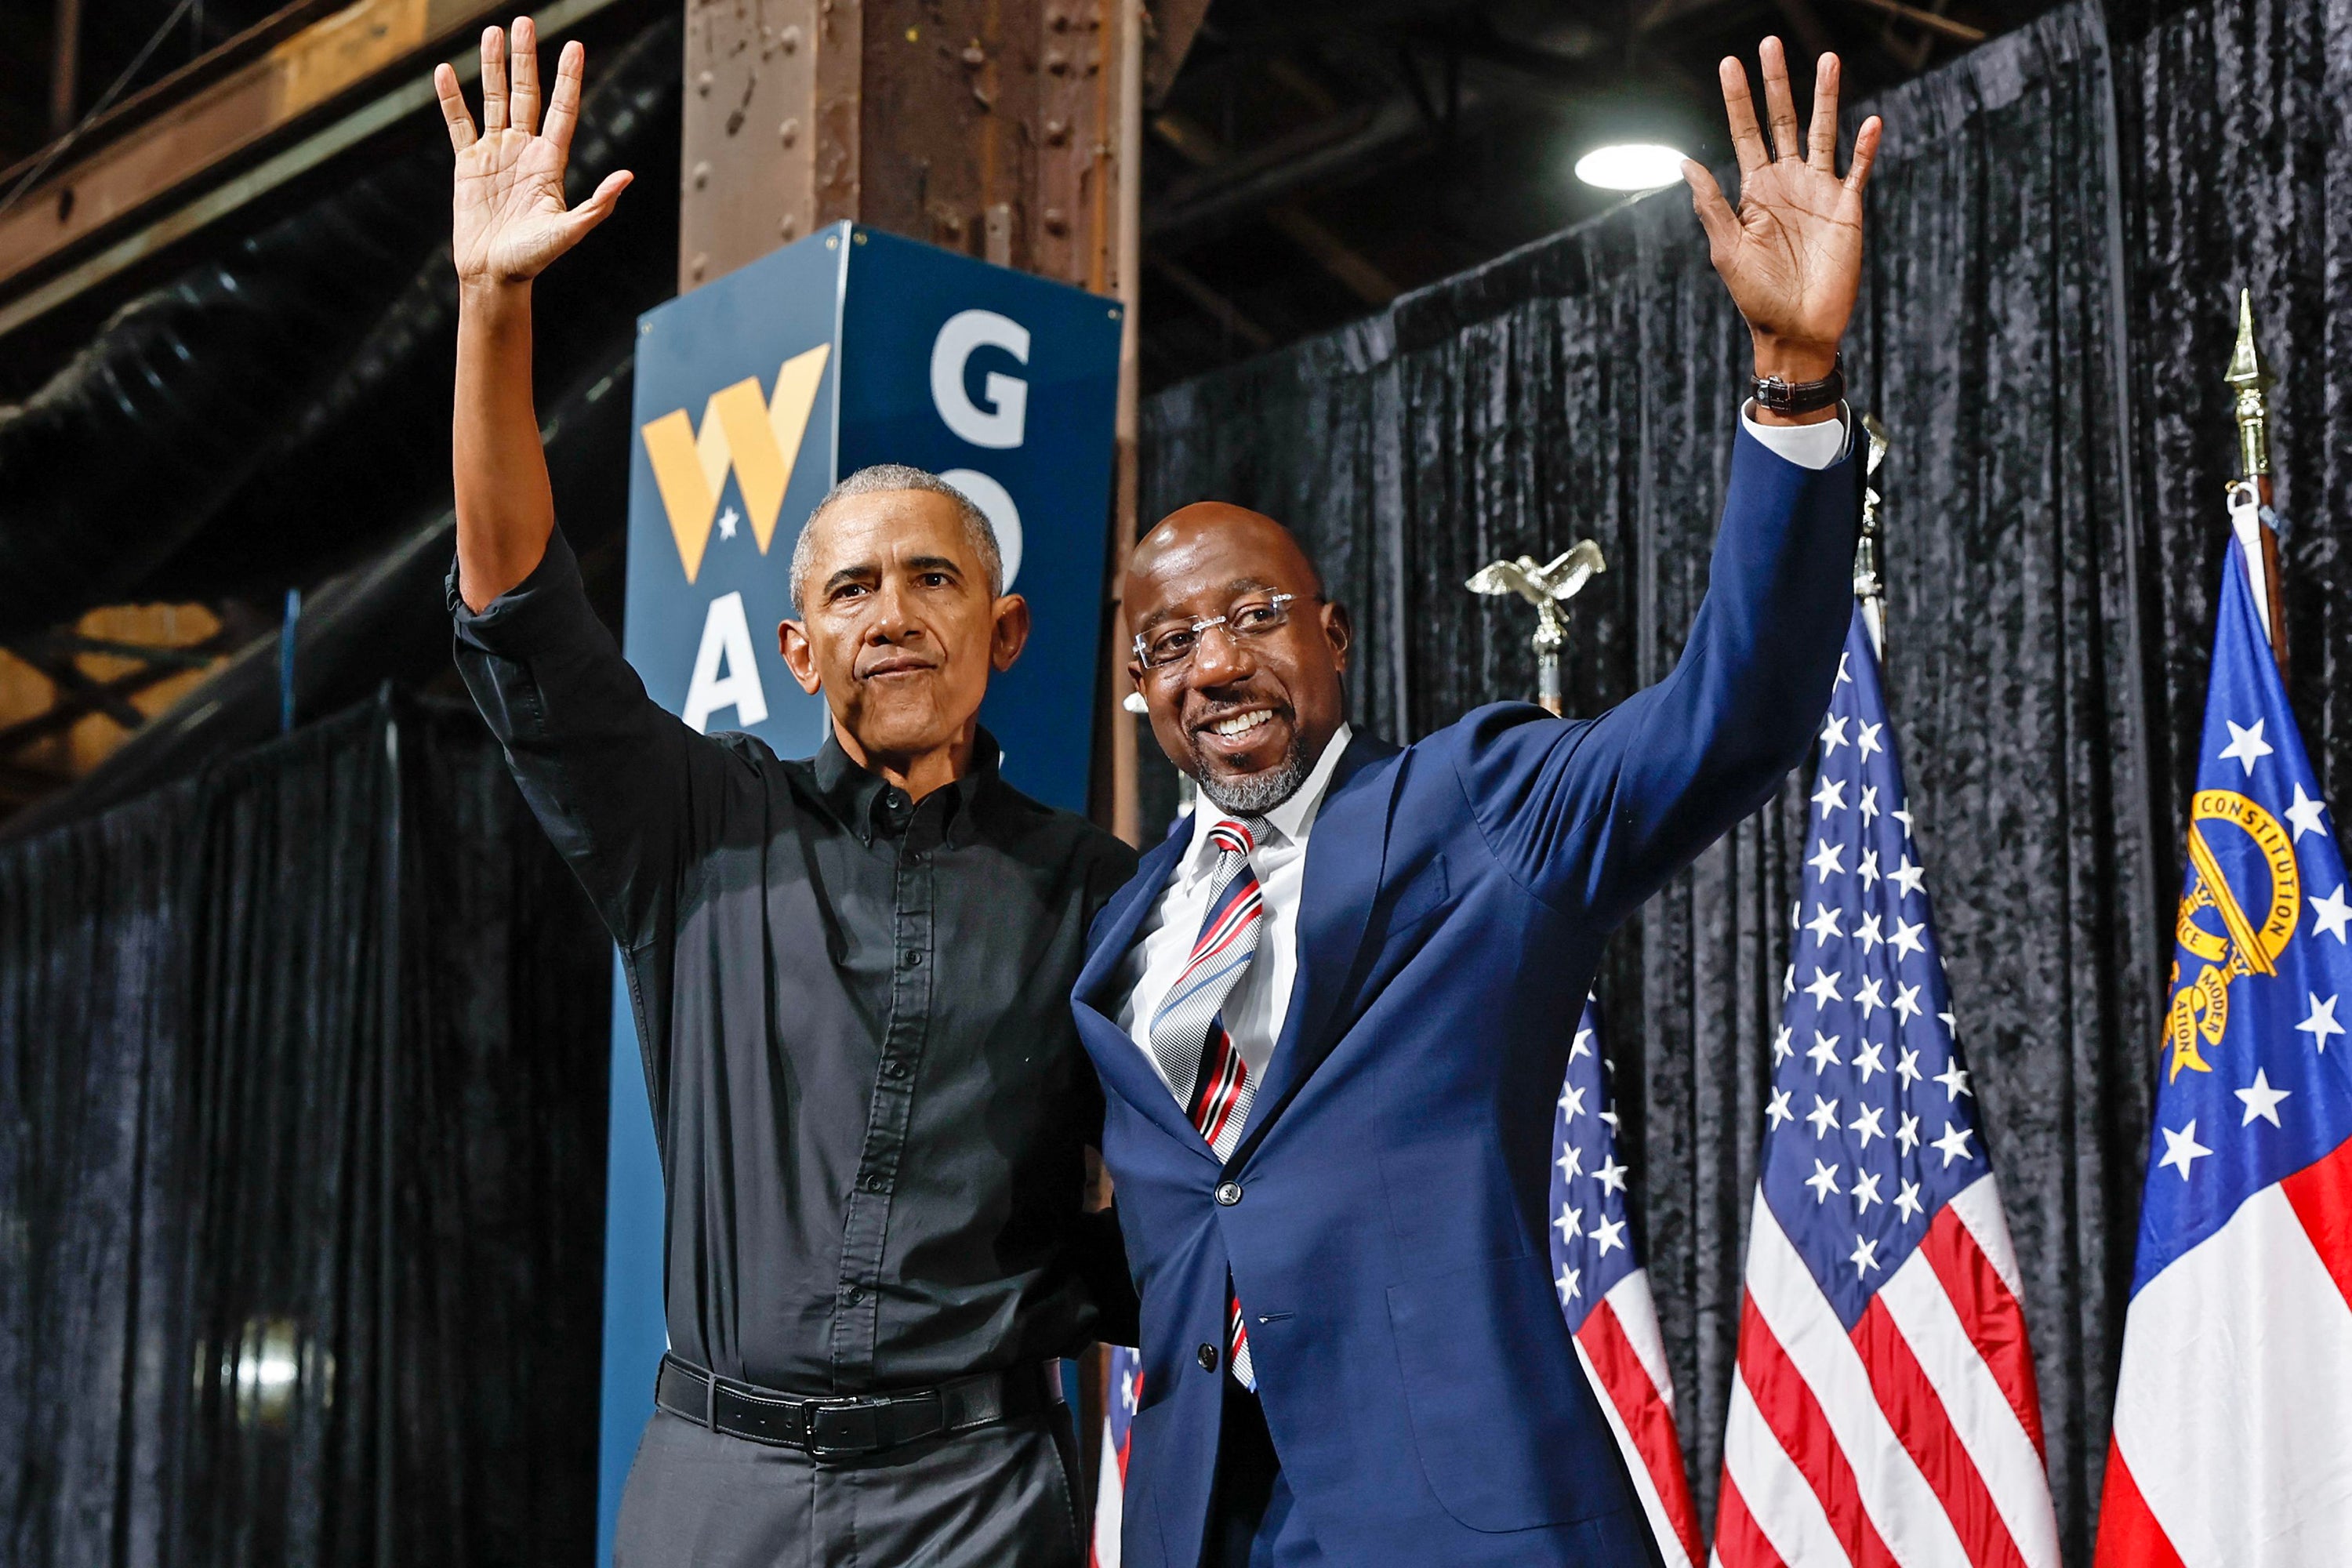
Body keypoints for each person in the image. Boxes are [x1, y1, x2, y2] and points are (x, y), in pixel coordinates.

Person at [1074, 38, 1881, 1568]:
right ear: (1138, 688)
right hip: (1211, 1525)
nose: (1216, 662)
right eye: (1170, 641)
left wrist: (1793, 385)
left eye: (1252, 615)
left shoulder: (1483, 804)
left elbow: (1739, 715)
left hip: (1464, 1519)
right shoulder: (1119, 933)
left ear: (1335, 638)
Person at [432, 22, 1135, 1566]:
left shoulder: (1102, 887)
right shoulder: (687, 826)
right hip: (716, 1492)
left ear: (1001, 633)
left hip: (980, 1496)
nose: (896, 613)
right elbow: (516, 607)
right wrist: (493, 303)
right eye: (858, 587)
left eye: (935, 579)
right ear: (798, 644)